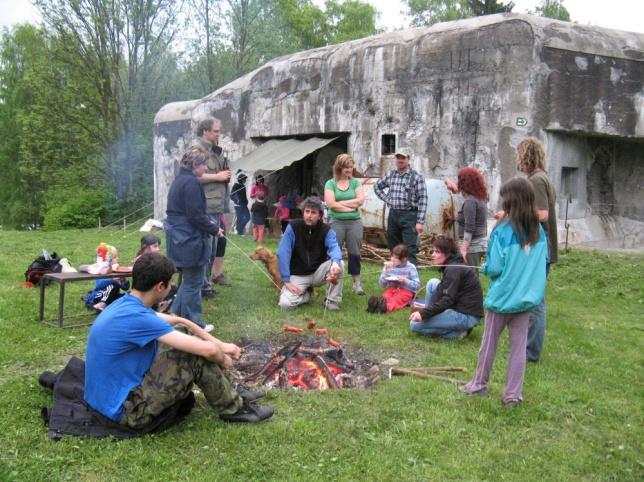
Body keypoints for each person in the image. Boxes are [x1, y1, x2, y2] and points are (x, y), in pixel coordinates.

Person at [84, 252, 274, 428]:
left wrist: (220, 344)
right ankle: (233, 409)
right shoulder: (139, 318)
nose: (171, 287)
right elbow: (209, 351)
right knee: (194, 354)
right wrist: (223, 358)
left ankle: (229, 390)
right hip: (125, 411)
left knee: (183, 332)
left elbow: (178, 321)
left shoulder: (125, 303)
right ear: (160, 286)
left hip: (105, 399)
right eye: (170, 284)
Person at [460, 177, 548, 406]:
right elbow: (541, 264)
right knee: (519, 350)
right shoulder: (539, 231)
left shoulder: (501, 231)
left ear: (510, 201)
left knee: (488, 345)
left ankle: (478, 384)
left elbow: (495, 268)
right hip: (525, 301)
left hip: (501, 301)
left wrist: (486, 267)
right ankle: (513, 396)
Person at [164, 146, 219, 332]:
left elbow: (187, 212)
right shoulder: (191, 183)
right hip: (188, 239)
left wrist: (207, 221)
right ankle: (194, 324)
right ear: (195, 165)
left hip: (179, 237)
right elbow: (195, 215)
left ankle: (175, 316)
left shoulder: (179, 180)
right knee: (194, 280)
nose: (206, 169)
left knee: (188, 280)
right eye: (204, 165)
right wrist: (214, 228)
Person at [517, 137, 558, 363]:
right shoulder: (542, 178)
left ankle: (531, 353)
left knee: (535, 300)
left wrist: (513, 213)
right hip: (542, 248)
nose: (517, 159)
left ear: (527, 155)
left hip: (540, 249)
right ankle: (527, 347)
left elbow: (542, 214)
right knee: (533, 298)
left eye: (519, 154)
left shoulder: (536, 180)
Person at [277, 196, 344, 311]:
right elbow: (283, 253)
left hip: (318, 273)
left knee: (340, 263)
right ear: (303, 213)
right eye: (307, 211)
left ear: (320, 215)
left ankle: (331, 300)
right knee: (285, 304)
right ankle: (306, 296)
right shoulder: (292, 227)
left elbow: (334, 247)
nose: (309, 215)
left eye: (313, 212)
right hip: (298, 274)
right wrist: (286, 280)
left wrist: (335, 263)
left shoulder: (326, 230)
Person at [409, 237, 483, 339]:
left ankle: (458, 334)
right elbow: (442, 292)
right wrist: (426, 313)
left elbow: (448, 299)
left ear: (448, 253)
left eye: (437, 252)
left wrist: (423, 314)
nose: (433, 255)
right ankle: (433, 320)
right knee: (432, 283)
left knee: (415, 325)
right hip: (459, 307)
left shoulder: (453, 269)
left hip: (466, 315)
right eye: (433, 251)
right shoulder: (451, 265)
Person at [193, 117, 231, 293]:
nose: (218, 134)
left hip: (216, 205)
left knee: (213, 246)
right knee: (206, 247)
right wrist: (217, 176)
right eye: (215, 131)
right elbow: (192, 175)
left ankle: (205, 284)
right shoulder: (196, 149)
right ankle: (202, 286)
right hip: (205, 205)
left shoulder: (215, 150)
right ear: (205, 131)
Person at [374, 147, 428, 265]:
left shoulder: (417, 177)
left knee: (409, 249)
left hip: (410, 216)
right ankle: (396, 275)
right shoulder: (391, 175)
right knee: (394, 248)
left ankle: (412, 280)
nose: (400, 160)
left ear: (408, 159)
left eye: (403, 157)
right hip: (393, 215)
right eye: (398, 157)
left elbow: (423, 199)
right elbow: (377, 187)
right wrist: (387, 199)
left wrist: (420, 221)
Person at [324, 153, 365, 295]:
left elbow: (360, 201)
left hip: (355, 222)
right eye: (346, 167)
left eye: (351, 167)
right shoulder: (330, 183)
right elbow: (330, 204)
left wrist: (339, 203)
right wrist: (348, 206)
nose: (349, 170)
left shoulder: (356, 183)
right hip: (336, 222)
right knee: (334, 252)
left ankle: (357, 284)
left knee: (355, 253)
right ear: (339, 167)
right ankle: (331, 281)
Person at [444, 167, 488, 267]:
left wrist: (463, 250)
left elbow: (470, 228)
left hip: (472, 246)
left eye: (460, 180)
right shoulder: (480, 198)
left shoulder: (470, 201)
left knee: (470, 276)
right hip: (479, 244)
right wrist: (454, 188)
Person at [367, 244, 420, 314]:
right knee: (385, 297)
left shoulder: (411, 267)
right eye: (392, 256)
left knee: (396, 300)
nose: (392, 259)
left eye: (396, 258)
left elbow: (417, 286)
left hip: (407, 290)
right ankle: (376, 305)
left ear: (404, 258)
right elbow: (382, 284)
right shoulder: (389, 266)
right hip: (392, 288)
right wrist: (386, 272)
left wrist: (405, 281)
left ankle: (385, 309)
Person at [231, 171, 250, 235]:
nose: (245, 180)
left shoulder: (243, 186)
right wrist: (237, 200)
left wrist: (246, 201)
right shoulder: (235, 185)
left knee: (247, 217)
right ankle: (239, 232)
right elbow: (231, 195)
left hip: (244, 205)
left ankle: (238, 229)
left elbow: (244, 196)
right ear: (241, 179)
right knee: (239, 218)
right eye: (244, 179)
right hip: (238, 205)